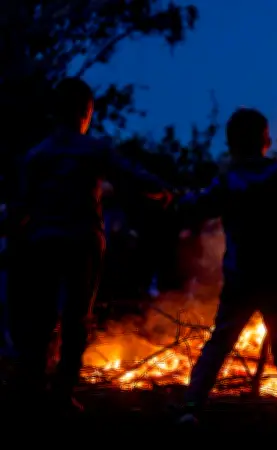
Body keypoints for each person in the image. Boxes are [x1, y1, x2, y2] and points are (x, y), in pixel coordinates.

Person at [7, 77, 172, 414]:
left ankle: (33, 386)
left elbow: (21, 208)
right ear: (86, 112)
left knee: (42, 317)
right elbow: (132, 175)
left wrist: (11, 235)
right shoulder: (93, 150)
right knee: (76, 319)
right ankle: (62, 391)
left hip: (44, 242)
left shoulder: (37, 155)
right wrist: (164, 190)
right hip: (82, 242)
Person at [177, 108, 277, 438]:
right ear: (266, 141)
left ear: (232, 144)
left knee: (219, 343)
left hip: (240, 279)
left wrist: (177, 199)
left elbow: (197, 207)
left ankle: (190, 409)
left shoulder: (228, 182)